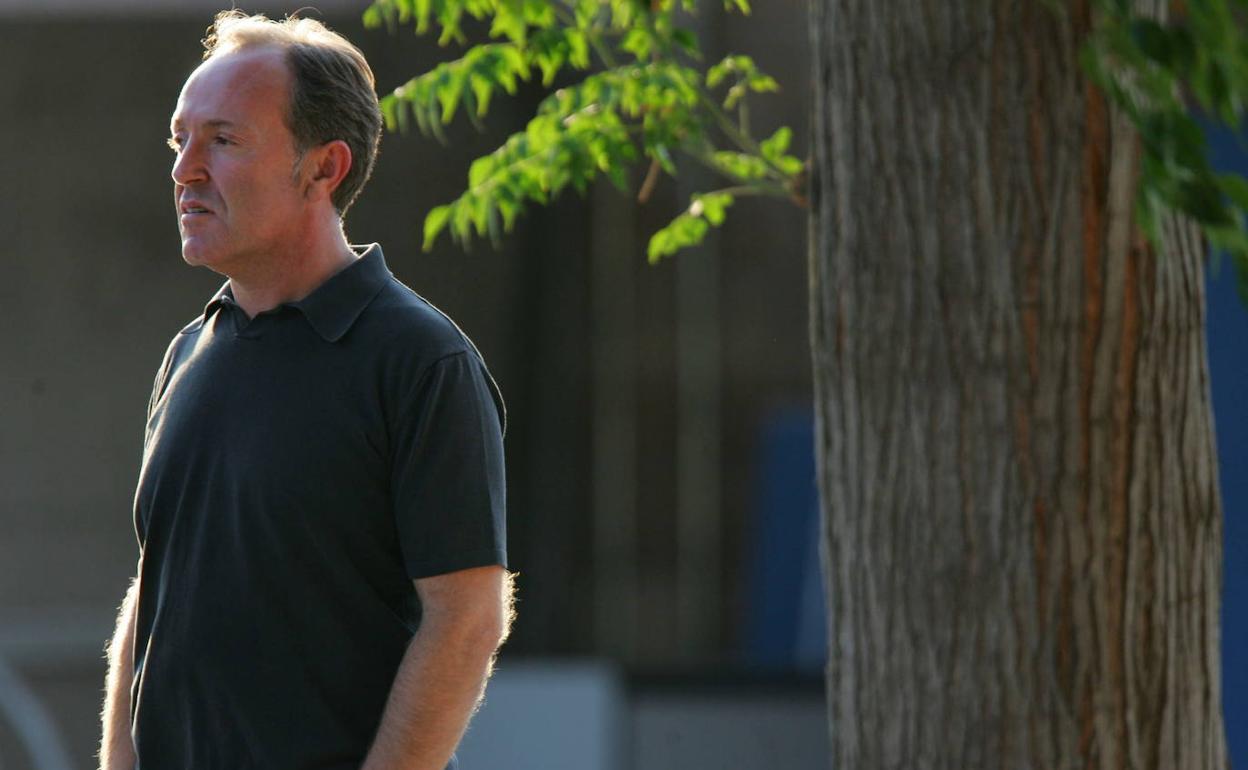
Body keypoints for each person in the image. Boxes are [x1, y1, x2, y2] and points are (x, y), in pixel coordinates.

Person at [97, 11, 512, 770]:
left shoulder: (421, 360)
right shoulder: (190, 352)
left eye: (222, 140)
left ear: (324, 169)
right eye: (179, 139)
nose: (184, 168)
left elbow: (466, 620)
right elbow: (156, 585)